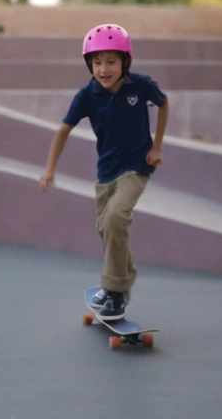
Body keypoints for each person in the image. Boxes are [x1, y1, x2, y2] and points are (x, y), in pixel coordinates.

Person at [38, 23, 169, 321]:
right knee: (107, 228)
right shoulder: (87, 95)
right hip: (106, 170)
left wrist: (157, 146)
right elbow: (63, 131)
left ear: (125, 62)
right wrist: (49, 170)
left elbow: (163, 104)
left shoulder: (141, 85)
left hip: (137, 167)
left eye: (111, 61)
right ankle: (121, 280)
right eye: (97, 62)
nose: (104, 69)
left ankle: (114, 292)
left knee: (115, 217)